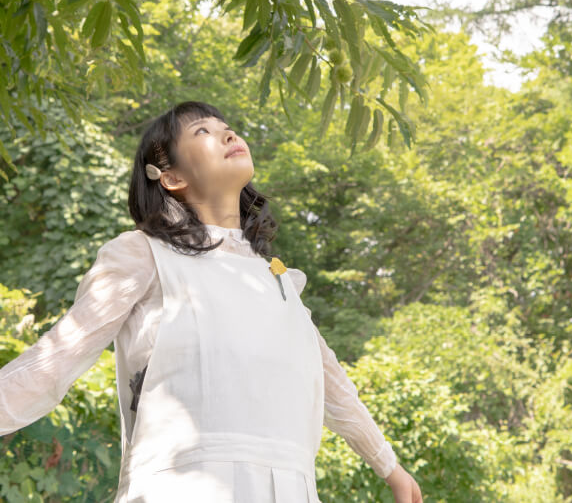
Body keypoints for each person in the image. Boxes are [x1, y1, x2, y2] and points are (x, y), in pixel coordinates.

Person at [0, 100, 423, 502]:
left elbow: (332, 384)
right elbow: (57, 357)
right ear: (171, 177)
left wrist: (391, 468)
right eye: (203, 131)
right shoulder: (143, 255)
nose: (228, 135)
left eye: (228, 128)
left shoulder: (277, 281)